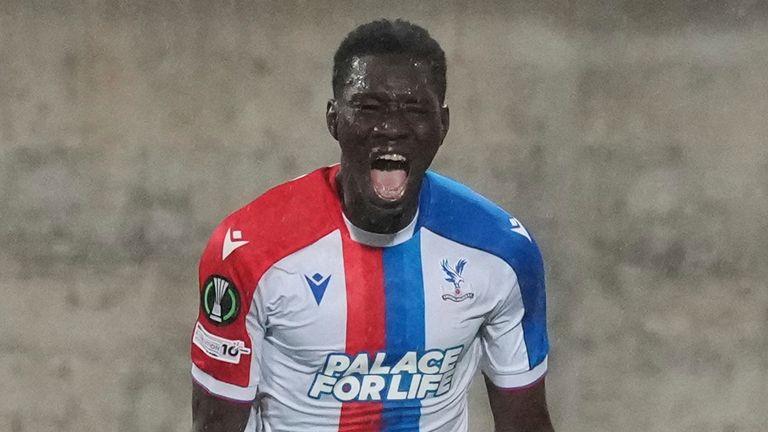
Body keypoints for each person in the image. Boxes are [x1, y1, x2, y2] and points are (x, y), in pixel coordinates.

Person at [190, 19, 554, 432]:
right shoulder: (250, 252)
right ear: (334, 119)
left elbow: (527, 423)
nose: (391, 127)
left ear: (443, 125)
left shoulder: (501, 251)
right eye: (368, 107)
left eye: (414, 110)